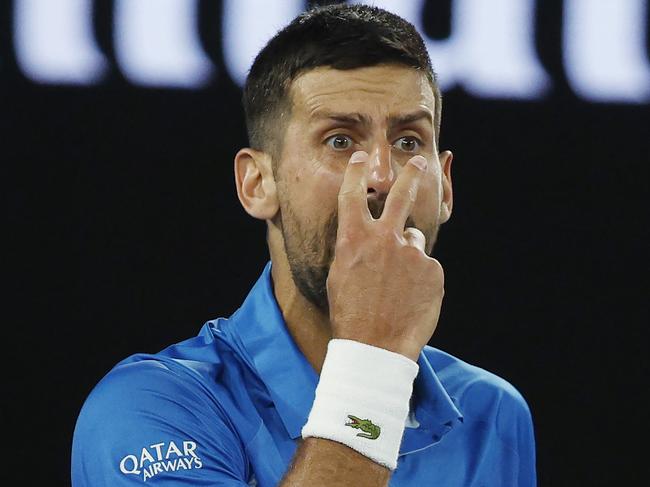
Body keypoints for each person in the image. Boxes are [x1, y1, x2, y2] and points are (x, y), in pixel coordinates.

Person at [72, 4, 536, 486]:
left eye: (408, 142)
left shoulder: (493, 416)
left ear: (445, 184)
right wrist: (374, 361)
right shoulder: (150, 408)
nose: (381, 175)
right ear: (257, 183)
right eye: (339, 141)